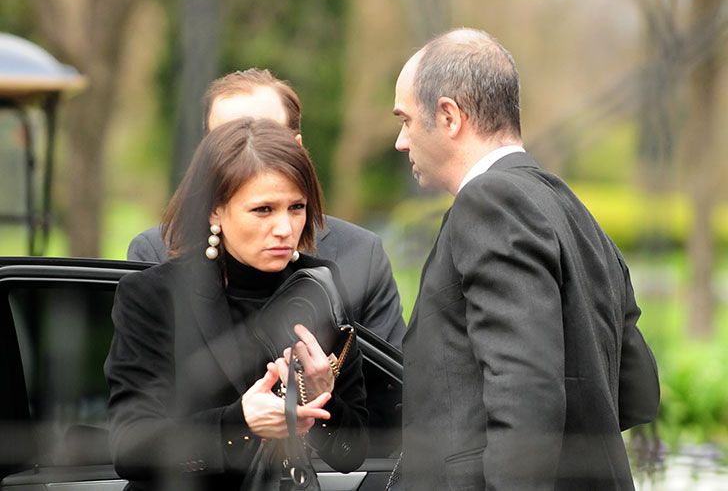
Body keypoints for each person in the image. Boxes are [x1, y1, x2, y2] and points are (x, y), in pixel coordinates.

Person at [391, 28, 660, 490]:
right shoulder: (571, 210)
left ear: (449, 116)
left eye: (406, 120)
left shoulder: (490, 202)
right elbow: (637, 391)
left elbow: (526, 388)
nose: (400, 141)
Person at [105, 118, 368, 490]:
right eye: (263, 210)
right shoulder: (155, 295)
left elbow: (350, 454)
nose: (284, 228)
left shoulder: (318, 286)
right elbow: (129, 447)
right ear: (215, 210)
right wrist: (239, 423)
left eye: (296, 207)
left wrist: (319, 394)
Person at [128, 69, 405, 348]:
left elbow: (388, 385)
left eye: (266, 136)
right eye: (226, 143)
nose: (248, 149)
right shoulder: (157, 251)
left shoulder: (359, 254)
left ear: (297, 150)